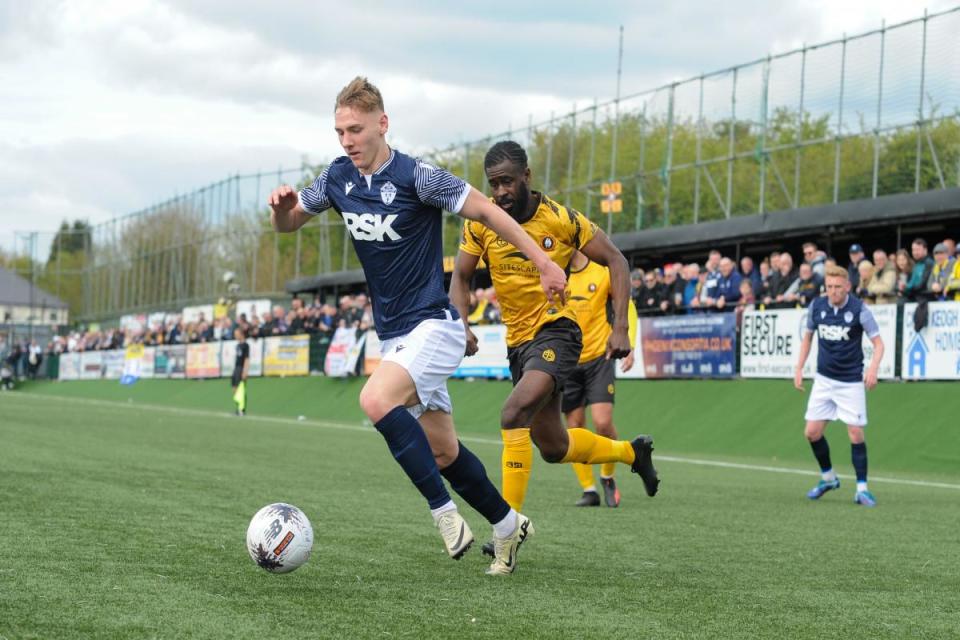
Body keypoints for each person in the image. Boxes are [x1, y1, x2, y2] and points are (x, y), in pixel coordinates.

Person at [268, 77, 568, 576]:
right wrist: (281, 213)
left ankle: (444, 515)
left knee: (374, 399)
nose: (347, 140)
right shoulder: (337, 178)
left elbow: (489, 212)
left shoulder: (419, 177)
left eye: (357, 130)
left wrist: (541, 260)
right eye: (340, 131)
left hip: (435, 323)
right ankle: (506, 522)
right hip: (396, 336)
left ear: (382, 124)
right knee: (444, 450)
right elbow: (290, 221)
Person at [450, 140, 659, 541]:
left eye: (508, 182)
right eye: (494, 184)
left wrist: (620, 327)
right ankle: (631, 453)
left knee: (513, 414)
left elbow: (617, 260)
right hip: (518, 343)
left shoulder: (561, 219)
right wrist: (461, 322)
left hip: (558, 332)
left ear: (527, 177)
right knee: (553, 446)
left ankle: (506, 531)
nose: (501, 192)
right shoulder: (480, 222)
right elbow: (460, 277)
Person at [794, 265, 884, 507]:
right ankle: (828, 478)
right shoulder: (817, 306)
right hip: (824, 380)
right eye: (829, 287)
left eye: (837, 287)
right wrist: (799, 368)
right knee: (811, 433)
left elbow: (879, 344)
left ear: (847, 286)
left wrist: (873, 369)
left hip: (850, 381)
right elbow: (808, 338)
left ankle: (862, 489)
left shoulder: (859, 310)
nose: (833, 291)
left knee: (855, 433)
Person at [561, 250, 639, 507]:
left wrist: (631, 344)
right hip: (568, 361)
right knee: (575, 426)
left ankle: (607, 476)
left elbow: (626, 305)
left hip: (599, 358)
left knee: (603, 423)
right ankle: (589, 489)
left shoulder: (602, 270)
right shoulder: (556, 271)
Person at [231, 327, 250, 416]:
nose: (235, 336)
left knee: (241, 390)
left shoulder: (245, 345)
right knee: (234, 389)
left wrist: (245, 371)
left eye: (236, 334)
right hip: (236, 368)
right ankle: (238, 408)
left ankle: (242, 409)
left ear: (241, 334)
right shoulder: (237, 345)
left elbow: (246, 359)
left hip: (241, 368)